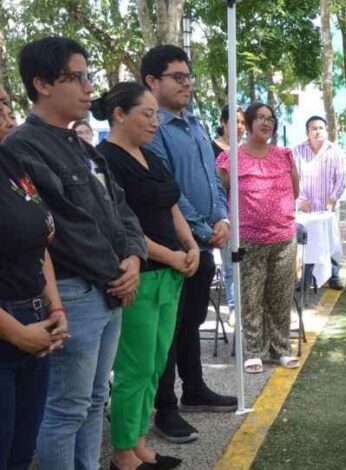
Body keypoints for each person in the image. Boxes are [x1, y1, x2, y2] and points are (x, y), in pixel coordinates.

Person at [4, 36, 147, 469]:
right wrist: (116, 272)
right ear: (43, 84)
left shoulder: (81, 145)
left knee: (94, 400)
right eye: (79, 76)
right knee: (66, 409)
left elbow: (120, 208)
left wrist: (134, 258)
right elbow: (61, 226)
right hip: (74, 293)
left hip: (107, 288)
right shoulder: (23, 147)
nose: (90, 87)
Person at [94, 81, 201, 469]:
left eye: (156, 114)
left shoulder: (150, 157)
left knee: (156, 364)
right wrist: (172, 256)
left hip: (169, 274)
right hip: (141, 274)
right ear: (119, 115)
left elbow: (171, 207)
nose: (155, 122)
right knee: (133, 368)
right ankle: (123, 454)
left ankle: (139, 444)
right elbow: (124, 227)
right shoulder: (105, 160)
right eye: (147, 114)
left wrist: (189, 246)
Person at [141, 44, 236, 444]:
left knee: (192, 321)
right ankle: (165, 407)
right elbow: (168, 191)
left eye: (188, 76)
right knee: (169, 327)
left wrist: (221, 217)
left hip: (203, 241)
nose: (187, 83)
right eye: (177, 76)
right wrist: (199, 226)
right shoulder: (152, 129)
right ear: (151, 81)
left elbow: (211, 178)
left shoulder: (194, 125)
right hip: (173, 246)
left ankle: (194, 389)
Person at [216, 103, 301, 372]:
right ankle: (253, 350)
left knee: (280, 296)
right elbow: (222, 194)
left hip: (283, 238)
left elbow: (295, 191)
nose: (266, 123)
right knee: (251, 298)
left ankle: (281, 348)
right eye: (260, 118)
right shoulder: (230, 158)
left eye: (270, 119)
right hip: (247, 240)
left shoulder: (285, 155)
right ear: (249, 124)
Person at [0, 145, 68, 470]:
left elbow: (39, 246)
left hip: (35, 321)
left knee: (21, 453)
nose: (5, 109)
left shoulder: (10, 162)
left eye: (5, 101)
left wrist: (55, 309)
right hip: (10, 326)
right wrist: (17, 333)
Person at [292, 115, 346, 290]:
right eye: (314, 128)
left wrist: (333, 198)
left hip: (328, 208)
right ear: (307, 133)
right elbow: (291, 178)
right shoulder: (297, 151)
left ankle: (334, 276)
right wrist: (299, 201)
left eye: (321, 128)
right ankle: (305, 279)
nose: (318, 131)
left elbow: (342, 178)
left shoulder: (335, 151)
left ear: (326, 130)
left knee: (330, 240)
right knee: (306, 243)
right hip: (305, 209)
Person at [212, 105, 245, 326]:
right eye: (235, 122)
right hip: (224, 214)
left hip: (248, 215)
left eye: (243, 122)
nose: (240, 127)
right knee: (230, 263)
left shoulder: (249, 149)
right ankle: (234, 307)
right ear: (224, 122)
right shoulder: (211, 148)